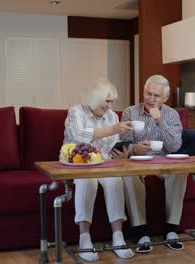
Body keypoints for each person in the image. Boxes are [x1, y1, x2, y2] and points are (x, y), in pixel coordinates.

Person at [63, 79, 134, 261]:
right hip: (79, 162)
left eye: (112, 102)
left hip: (104, 161)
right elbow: (80, 136)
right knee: (88, 181)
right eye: (107, 101)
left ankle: (118, 237)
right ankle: (84, 238)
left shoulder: (112, 116)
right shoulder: (76, 112)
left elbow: (112, 145)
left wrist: (122, 154)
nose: (110, 106)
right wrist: (112, 129)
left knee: (115, 180)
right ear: (95, 98)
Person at [121, 74, 186, 253]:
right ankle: (141, 233)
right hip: (136, 163)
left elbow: (174, 146)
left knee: (181, 171)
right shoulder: (130, 112)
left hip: (163, 161)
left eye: (156, 96)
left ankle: (171, 230)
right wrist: (135, 148)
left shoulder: (172, 115)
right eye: (148, 93)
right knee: (128, 175)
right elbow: (123, 144)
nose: (150, 98)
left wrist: (160, 121)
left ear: (165, 98)